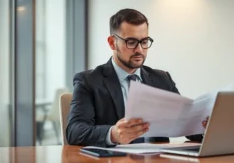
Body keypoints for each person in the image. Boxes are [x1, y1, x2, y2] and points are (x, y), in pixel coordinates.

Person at [66, 8, 206, 147]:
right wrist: (113, 134)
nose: (139, 49)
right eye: (131, 42)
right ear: (112, 43)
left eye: (144, 42)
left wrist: (206, 127)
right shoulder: (89, 81)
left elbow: (186, 124)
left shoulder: (162, 79)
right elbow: (74, 131)